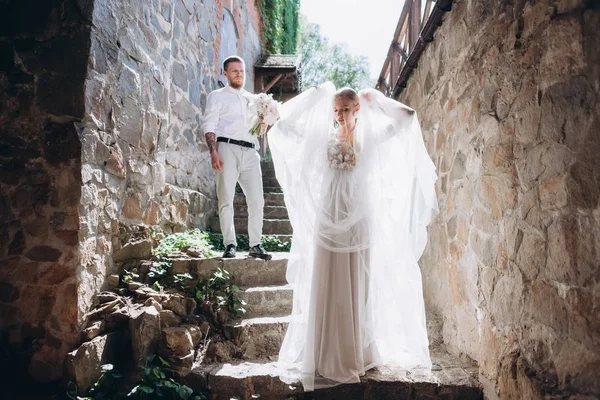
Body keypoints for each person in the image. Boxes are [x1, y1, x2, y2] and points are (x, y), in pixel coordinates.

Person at [268, 82, 438, 390]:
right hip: (328, 216)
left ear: (357, 109)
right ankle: (324, 354)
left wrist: (378, 100)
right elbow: (284, 127)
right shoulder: (324, 138)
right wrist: (313, 98)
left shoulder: (369, 137)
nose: (339, 116)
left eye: (345, 109)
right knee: (327, 277)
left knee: (358, 281)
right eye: (335, 110)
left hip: (359, 218)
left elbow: (408, 118)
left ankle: (356, 351)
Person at [203, 55, 271, 260]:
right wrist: (213, 151)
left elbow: (258, 130)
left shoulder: (253, 99)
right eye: (234, 71)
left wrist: (263, 122)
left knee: (257, 200)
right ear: (225, 73)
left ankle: (255, 244)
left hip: (251, 151)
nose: (239, 74)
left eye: (241, 71)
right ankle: (230, 244)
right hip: (226, 148)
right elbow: (209, 125)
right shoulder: (217, 96)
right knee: (226, 199)